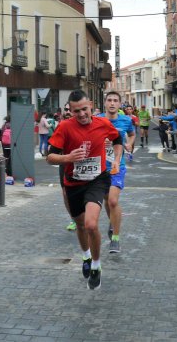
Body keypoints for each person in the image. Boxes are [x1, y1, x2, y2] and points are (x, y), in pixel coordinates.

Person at [47, 90, 122, 290]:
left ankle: (97, 266)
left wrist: (116, 159)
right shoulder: (64, 127)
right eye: (76, 111)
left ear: (90, 105)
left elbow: (117, 140)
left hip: (97, 180)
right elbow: (50, 157)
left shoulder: (103, 123)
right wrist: (68, 158)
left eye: (84, 109)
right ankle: (86, 256)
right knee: (80, 225)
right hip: (73, 183)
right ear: (70, 111)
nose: (81, 114)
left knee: (91, 224)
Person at [98, 92, 135, 253]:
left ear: (120, 104)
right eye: (109, 100)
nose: (112, 103)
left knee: (113, 201)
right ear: (105, 103)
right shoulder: (97, 120)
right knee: (107, 201)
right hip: (99, 167)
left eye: (115, 101)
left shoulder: (126, 120)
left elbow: (132, 134)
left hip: (117, 166)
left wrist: (129, 144)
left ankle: (115, 239)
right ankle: (113, 222)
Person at [57, 103, 77, 232]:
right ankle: (74, 219)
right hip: (64, 162)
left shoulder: (82, 124)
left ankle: (83, 216)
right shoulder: (61, 126)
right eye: (66, 109)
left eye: (70, 109)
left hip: (81, 163)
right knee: (65, 193)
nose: (68, 111)